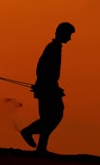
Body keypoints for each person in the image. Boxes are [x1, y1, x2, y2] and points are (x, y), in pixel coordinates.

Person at [20, 22, 75, 153]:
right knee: (53, 115)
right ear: (61, 33)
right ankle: (29, 132)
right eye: (69, 34)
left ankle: (41, 146)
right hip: (47, 88)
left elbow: (44, 69)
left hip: (48, 87)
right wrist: (47, 86)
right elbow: (43, 68)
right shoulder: (52, 48)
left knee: (50, 116)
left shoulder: (54, 47)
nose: (70, 38)